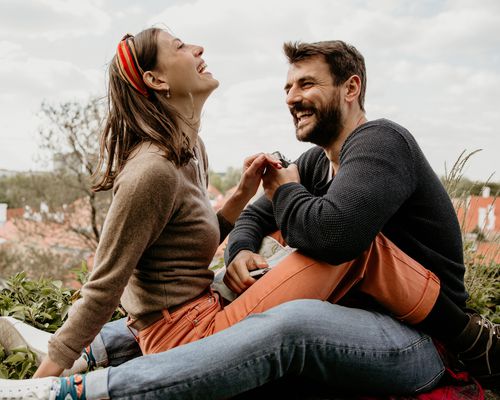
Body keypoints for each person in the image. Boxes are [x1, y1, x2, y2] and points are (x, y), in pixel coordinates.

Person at [0, 37, 497, 399]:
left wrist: (286, 190)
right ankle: (89, 350)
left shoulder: (381, 143)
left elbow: (334, 234)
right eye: (287, 86)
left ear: (351, 88)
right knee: (226, 281)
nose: (291, 97)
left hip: (418, 342)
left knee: (296, 323)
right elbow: (255, 218)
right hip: (359, 318)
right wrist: (239, 251)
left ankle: (81, 391)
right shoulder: (318, 162)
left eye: (306, 84)